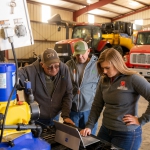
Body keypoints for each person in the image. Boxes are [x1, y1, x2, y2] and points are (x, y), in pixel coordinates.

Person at [80, 48, 150, 150]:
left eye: (107, 68)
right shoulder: (104, 80)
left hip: (126, 134)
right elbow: (97, 105)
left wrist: (141, 120)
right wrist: (89, 125)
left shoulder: (133, 79)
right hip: (105, 130)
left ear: (117, 64)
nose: (104, 71)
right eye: (102, 68)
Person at [18, 48, 74, 129]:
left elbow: (68, 93)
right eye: (49, 67)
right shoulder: (30, 71)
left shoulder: (64, 69)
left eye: (56, 66)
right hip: (36, 118)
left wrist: (65, 115)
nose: (54, 70)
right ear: (42, 64)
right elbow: (15, 75)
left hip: (54, 116)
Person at [66, 41, 100, 135]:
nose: (80, 57)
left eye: (82, 54)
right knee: (73, 138)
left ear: (88, 51)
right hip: (73, 110)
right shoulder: (69, 65)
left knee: (89, 138)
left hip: (89, 110)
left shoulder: (97, 66)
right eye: (77, 55)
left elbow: (101, 87)